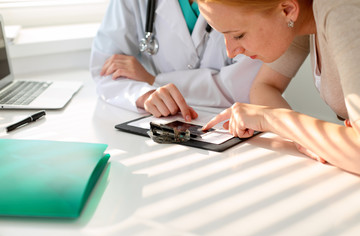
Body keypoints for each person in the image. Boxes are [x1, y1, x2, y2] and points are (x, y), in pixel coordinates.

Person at [198, 0, 360, 175]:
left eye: (238, 35)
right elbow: (264, 86)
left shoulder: (340, 10)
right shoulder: (304, 16)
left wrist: (273, 119)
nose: (231, 51)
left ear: (288, 9)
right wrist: (303, 137)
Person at [90, 0, 262, 122]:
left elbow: (246, 85)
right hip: (159, 122)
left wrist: (153, 81)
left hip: (231, 124)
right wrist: (143, 94)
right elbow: (106, 68)